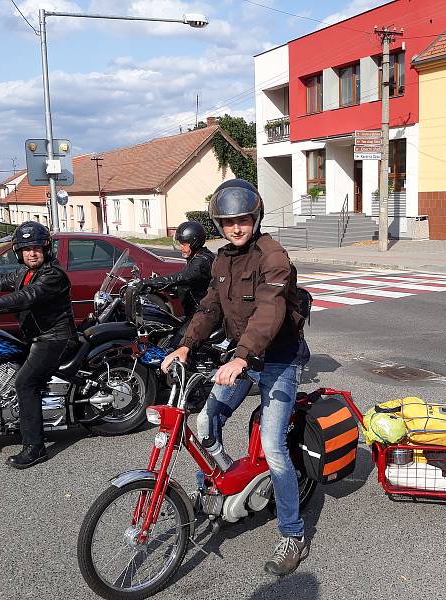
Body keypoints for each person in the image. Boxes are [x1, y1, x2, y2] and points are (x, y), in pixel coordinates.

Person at [160, 179, 311, 577]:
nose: (236, 228)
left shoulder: (273, 255)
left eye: (243, 220)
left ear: (256, 217)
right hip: (241, 357)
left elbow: (269, 311)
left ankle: (293, 535)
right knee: (205, 421)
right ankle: (224, 487)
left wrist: (242, 356)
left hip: (278, 358)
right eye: (228, 222)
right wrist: (185, 345)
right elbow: (210, 307)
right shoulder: (223, 260)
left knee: (274, 448)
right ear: (219, 226)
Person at [0, 221, 75, 469]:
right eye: (27, 248)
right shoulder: (25, 272)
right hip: (36, 335)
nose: (32, 253)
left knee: (25, 383)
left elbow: (26, 297)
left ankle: (35, 447)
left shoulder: (53, 275)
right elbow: (2, 281)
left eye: (37, 248)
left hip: (54, 338)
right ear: (19, 252)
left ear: (46, 249)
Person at [142, 221, 215, 318]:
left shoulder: (202, 260)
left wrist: (153, 282)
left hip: (203, 314)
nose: (181, 247)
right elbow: (189, 284)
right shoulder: (196, 256)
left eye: (184, 244)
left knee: (180, 334)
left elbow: (184, 276)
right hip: (195, 311)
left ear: (194, 243)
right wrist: (160, 287)